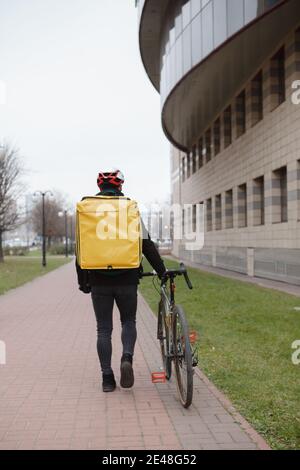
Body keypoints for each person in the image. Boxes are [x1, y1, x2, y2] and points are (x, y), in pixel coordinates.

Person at [75, 169, 166, 393]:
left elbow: (80, 249)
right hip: (127, 277)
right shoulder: (129, 208)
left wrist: (83, 280)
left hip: (98, 279)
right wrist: (161, 270)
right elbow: (146, 245)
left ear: (99, 187)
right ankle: (127, 358)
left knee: (103, 329)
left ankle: (107, 378)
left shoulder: (87, 210)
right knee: (129, 321)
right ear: (120, 187)